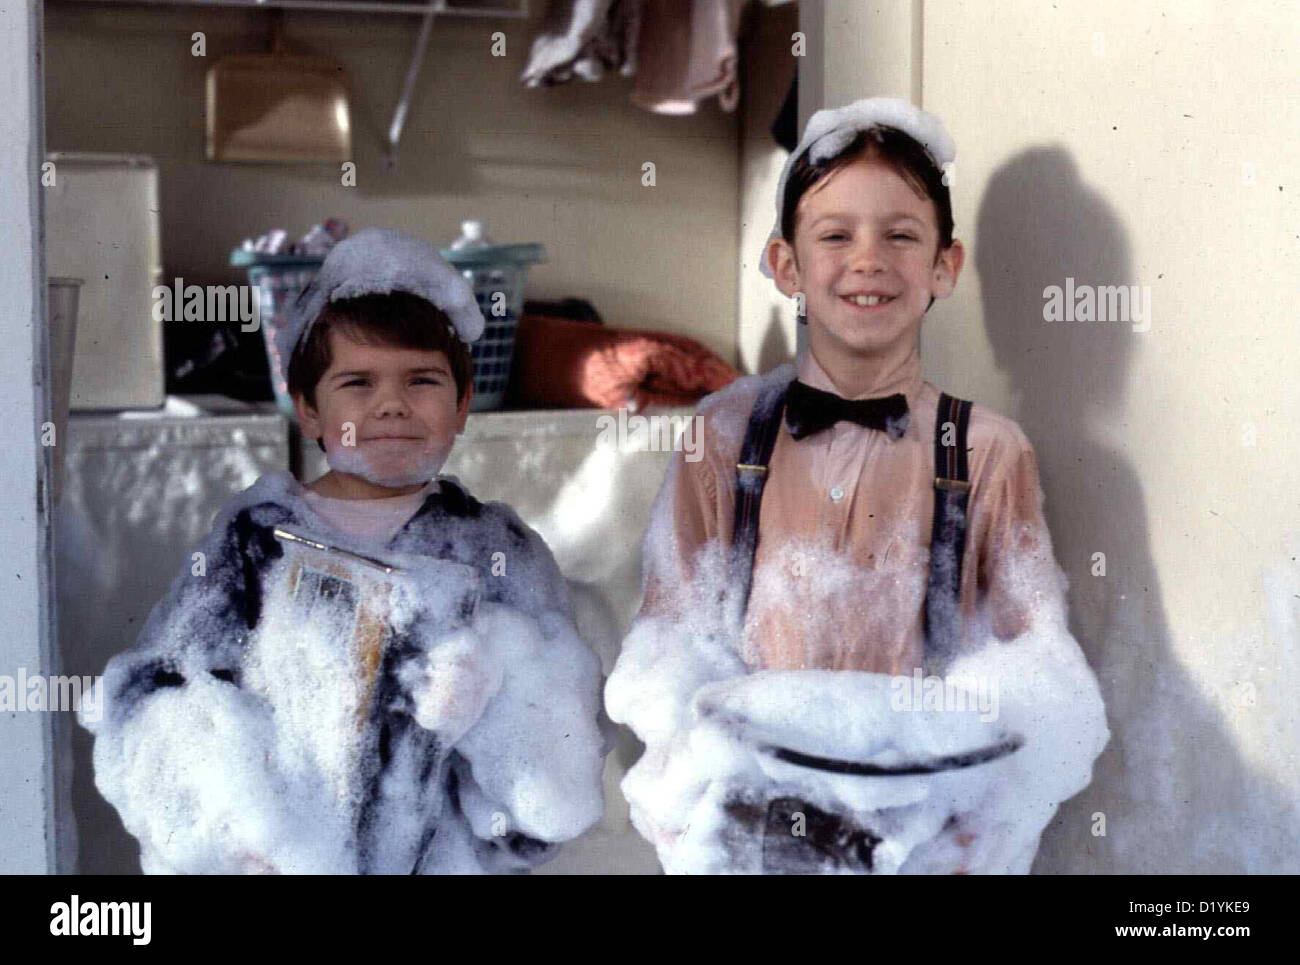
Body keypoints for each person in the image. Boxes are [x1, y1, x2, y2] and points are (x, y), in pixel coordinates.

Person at [605, 99, 1108, 874]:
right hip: (748, 818)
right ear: (786, 266)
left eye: (901, 235)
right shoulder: (723, 435)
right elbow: (671, 637)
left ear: (945, 265)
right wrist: (685, 815)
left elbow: (1031, 661)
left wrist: (979, 835)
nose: (867, 259)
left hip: (920, 831)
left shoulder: (988, 451)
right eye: (835, 235)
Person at [83, 229, 607, 874]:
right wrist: (232, 829)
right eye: (357, 382)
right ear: (308, 409)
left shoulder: (498, 550)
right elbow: (154, 697)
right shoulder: (256, 542)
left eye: (423, 380)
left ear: (463, 404)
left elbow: (547, 790)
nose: (391, 404)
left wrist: (488, 707)